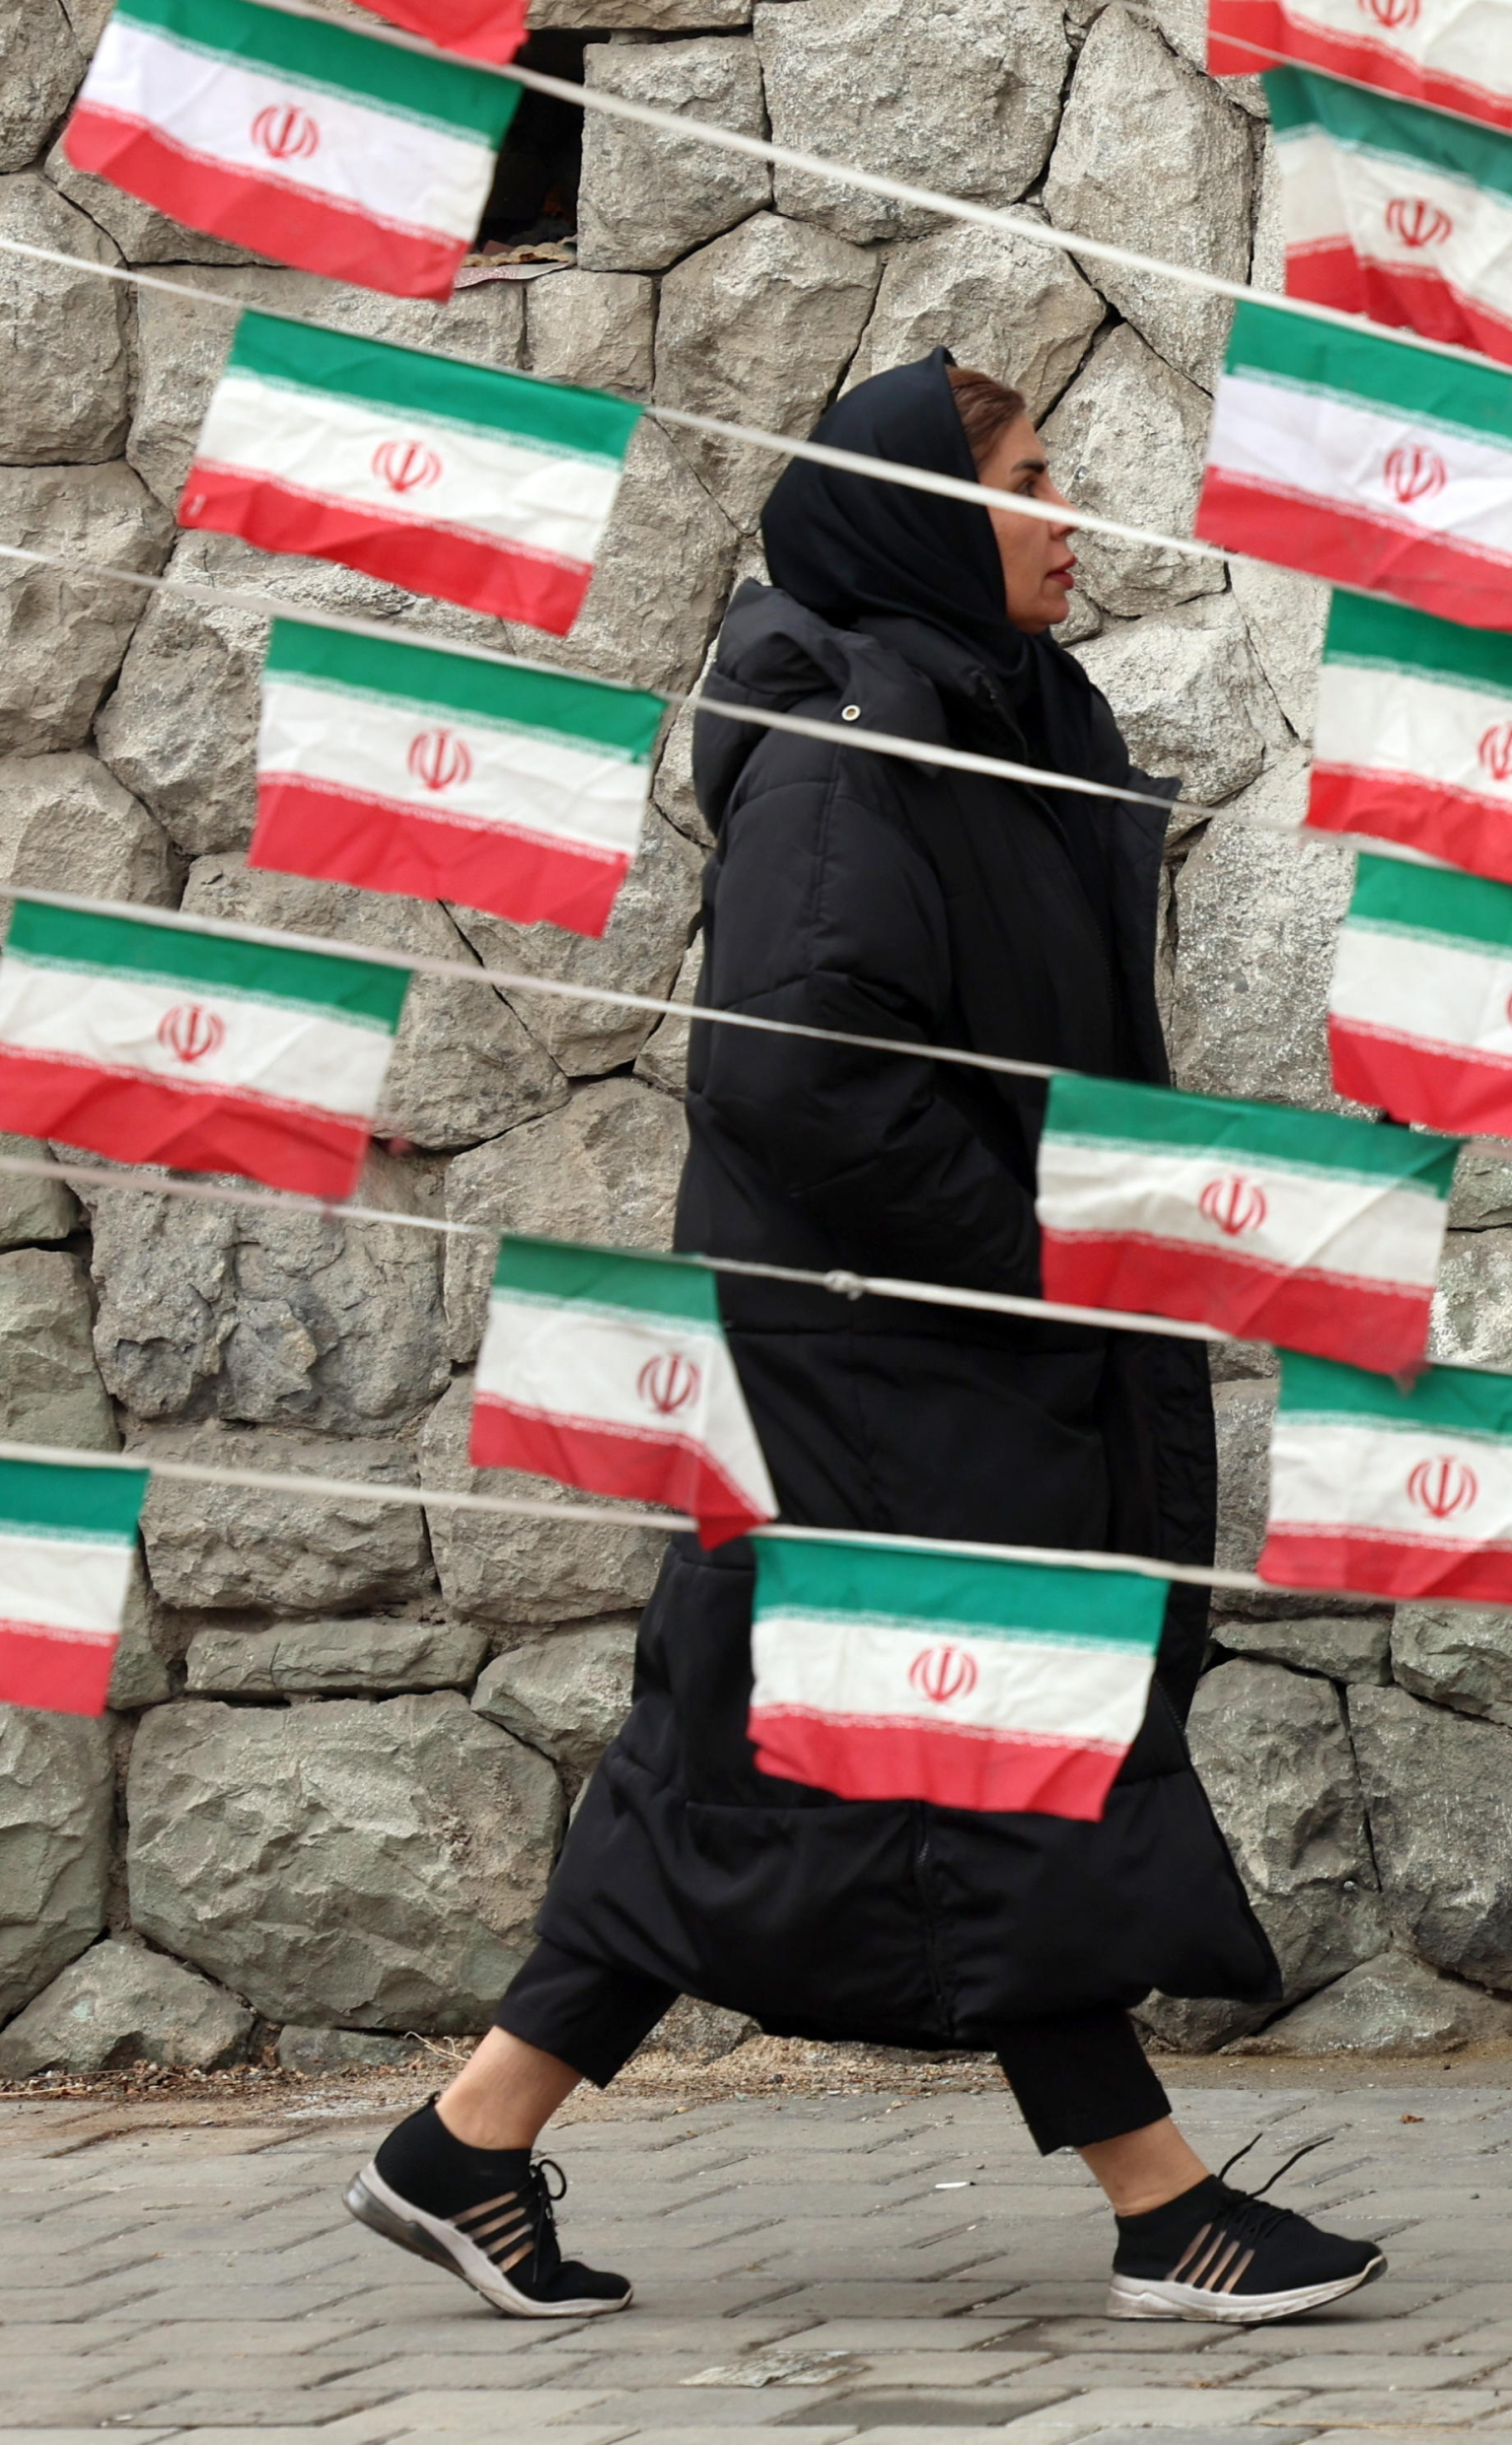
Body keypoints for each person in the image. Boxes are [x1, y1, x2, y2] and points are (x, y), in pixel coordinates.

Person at [344, 351, 1386, 2328]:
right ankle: (1163, 2201)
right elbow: (796, 1078)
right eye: (1028, 476)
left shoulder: (988, 716)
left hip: (892, 1362)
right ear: (921, 510)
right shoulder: (852, 750)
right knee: (981, 1740)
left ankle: (467, 2142)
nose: (1066, 511)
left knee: (759, 1756)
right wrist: (1027, 1261)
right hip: (880, 1359)